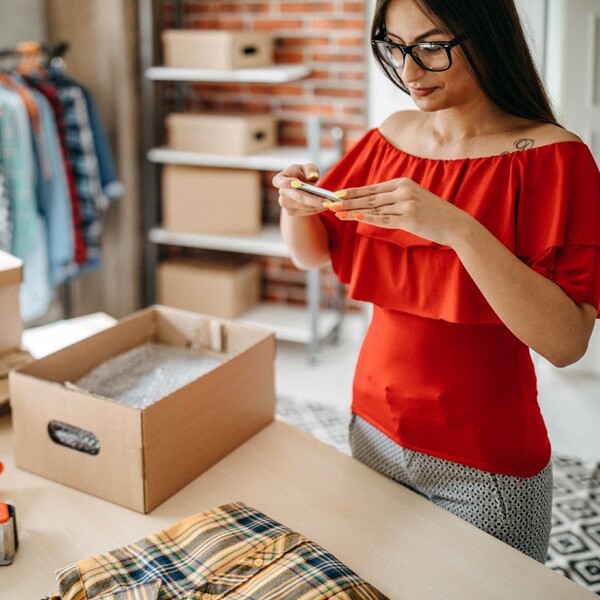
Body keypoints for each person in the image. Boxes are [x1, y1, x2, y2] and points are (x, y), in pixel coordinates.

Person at [273, 0, 600, 564]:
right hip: (371, 430)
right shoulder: (391, 136)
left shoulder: (554, 158)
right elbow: (313, 256)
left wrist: (455, 228)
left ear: (487, 38)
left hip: (485, 464)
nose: (410, 72)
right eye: (395, 48)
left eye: (431, 46)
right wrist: (294, 206)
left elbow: (567, 344)